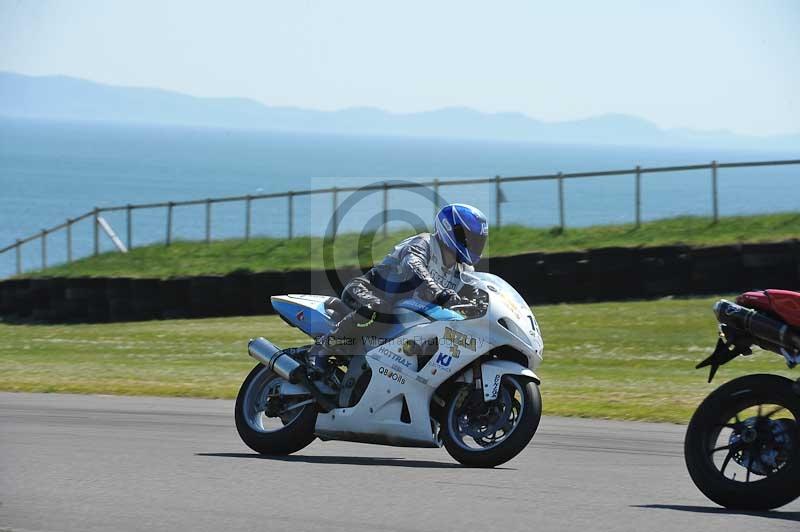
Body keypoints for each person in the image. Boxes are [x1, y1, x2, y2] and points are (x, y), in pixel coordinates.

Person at [318, 203, 489, 359]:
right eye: (470, 238)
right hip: (366, 290)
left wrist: (483, 304)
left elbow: (476, 292)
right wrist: (437, 291)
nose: (474, 244)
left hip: (404, 316)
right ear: (451, 230)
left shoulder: (464, 271)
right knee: (378, 310)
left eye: (478, 240)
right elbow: (413, 265)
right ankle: (322, 349)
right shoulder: (425, 243)